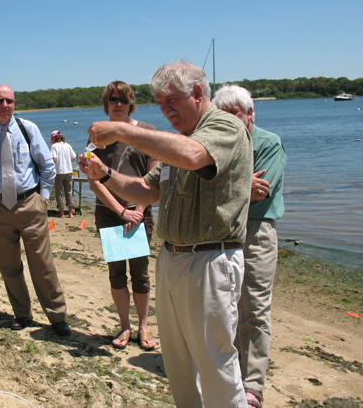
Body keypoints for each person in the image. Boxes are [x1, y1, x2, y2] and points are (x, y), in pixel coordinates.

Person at [79, 62, 253, 407]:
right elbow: (144, 190)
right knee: (179, 364)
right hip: (172, 258)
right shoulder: (181, 141)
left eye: (171, 100)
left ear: (198, 94)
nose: (165, 109)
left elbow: (192, 157)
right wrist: (105, 173)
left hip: (210, 261)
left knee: (216, 364)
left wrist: (121, 131)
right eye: (160, 104)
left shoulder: (224, 126)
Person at [0, 85, 70, 336]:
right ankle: (22, 313)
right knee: (8, 266)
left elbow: (47, 167)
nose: (5, 105)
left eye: (9, 101)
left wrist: (43, 199)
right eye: (0, 101)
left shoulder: (28, 129)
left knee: (42, 264)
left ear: (14, 104)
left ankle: (57, 316)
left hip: (30, 204)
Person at [213, 84, 287, 408]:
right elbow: (211, 187)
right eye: (223, 115)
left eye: (235, 114)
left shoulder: (268, 143)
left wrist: (226, 184)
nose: (229, 121)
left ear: (250, 113)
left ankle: (253, 386)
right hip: (225, 231)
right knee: (225, 306)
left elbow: (260, 193)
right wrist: (241, 183)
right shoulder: (219, 143)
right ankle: (230, 375)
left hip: (256, 232)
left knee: (254, 308)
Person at [89, 82, 158, 351]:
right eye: (113, 100)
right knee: (116, 274)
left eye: (123, 99)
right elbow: (95, 182)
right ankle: (125, 326)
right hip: (109, 214)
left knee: (140, 275)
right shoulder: (96, 136)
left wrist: (138, 211)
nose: (118, 104)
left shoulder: (148, 132)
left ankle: (143, 325)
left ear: (131, 103)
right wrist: (121, 211)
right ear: (106, 104)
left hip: (141, 214)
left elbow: (154, 179)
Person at [50, 130, 76, 218]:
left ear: (54, 138)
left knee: (59, 192)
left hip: (59, 171)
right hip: (68, 171)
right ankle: (70, 213)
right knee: (69, 191)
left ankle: (61, 213)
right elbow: (73, 158)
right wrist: (67, 160)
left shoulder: (54, 146)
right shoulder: (67, 145)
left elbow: (54, 159)